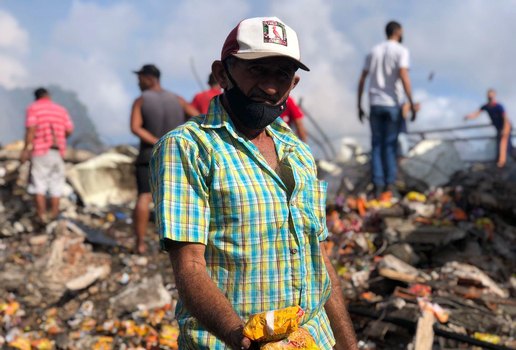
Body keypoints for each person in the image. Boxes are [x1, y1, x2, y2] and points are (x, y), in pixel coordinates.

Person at [150, 16, 358, 349]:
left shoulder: (298, 152)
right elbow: (189, 265)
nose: (271, 87)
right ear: (222, 74)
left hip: (311, 340)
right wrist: (238, 333)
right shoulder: (188, 147)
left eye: (282, 75)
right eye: (257, 70)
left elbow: (318, 256)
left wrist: (348, 344)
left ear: (294, 85)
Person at [130, 64, 199, 254]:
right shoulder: (177, 99)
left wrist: (155, 140)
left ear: (150, 78)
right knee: (175, 198)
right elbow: (198, 117)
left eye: (140, 78)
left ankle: (140, 244)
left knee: (144, 197)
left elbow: (135, 127)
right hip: (173, 155)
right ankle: (176, 245)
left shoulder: (141, 101)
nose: (138, 82)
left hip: (148, 155)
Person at [357, 20, 416, 198]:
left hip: (375, 103)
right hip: (392, 105)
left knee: (377, 145)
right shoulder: (401, 50)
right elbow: (404, 76)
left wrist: (359, 105)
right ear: (397, 32)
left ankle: (378, 185)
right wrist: (412, 102)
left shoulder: (373, 51)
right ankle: (389, 185)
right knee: (389, 146)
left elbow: (362, 79)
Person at [20, 87, 74, 224]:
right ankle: (54, 215)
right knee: (56, 184)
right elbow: (69, 129)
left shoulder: (34, 108)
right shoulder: (60, 110)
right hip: (58, 151)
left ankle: (42, 216)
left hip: (40, 150)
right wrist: (61, 137)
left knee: (39, 184)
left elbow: (31, 129)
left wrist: (26, 149)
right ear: (48, 96)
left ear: (36, 97)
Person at [465, 89, 514, 167]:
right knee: (507, 146)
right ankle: (509, 158)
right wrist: (468, 117)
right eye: (489, 96)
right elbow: (476, 114)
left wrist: (505, 129)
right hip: (499, 128)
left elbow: (505, 118)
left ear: (494, 96)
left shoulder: (499, 106)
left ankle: (501, 162)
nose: (490, 98)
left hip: (506, 126)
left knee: (503, 143)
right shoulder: (485, 106)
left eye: (491, 96)